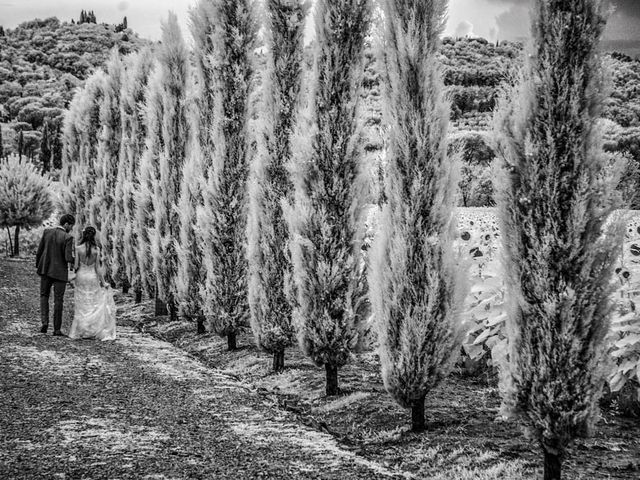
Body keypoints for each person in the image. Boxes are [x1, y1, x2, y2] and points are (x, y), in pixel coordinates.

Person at [68, 226, 116, 341]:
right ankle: (92, 329)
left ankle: (82, 330)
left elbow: (75, 266)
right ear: (94, 236)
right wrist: (103, 283)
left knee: (82, 303)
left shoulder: (78, 248)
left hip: (81, 277)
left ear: (84, 235)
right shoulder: (96, 249)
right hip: (92, 277)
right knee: (93, 302)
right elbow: (98, 269)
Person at [36, 214, 75, 336]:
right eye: (71, 226)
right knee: (58, 300)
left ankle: (44, 322)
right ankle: (57, 329)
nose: (72, 228)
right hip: (59, 273)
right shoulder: (67, 237)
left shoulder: (47, 232)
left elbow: (39, 251)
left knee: (44, 295)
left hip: (45, 269)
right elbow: (68, 258)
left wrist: (39, 266)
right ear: (66, 224)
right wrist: (76, 259)